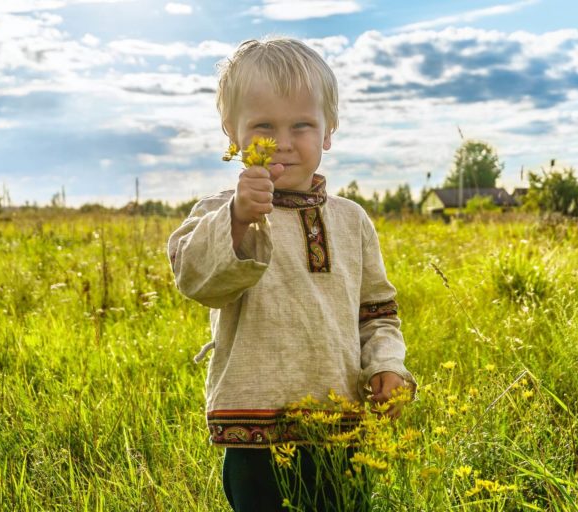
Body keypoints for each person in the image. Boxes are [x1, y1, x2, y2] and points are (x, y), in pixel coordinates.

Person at [168, 37, 416, 512]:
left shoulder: (351, 220)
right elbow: (196, 281)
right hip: (253, 433)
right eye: (263, 126)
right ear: (232, 134)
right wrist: (240, 218)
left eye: (301, 124)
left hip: (341, 425)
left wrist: (387, 365)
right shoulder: (219, 212)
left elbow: (377, 312)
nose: (282, 141)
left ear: (328, 131)